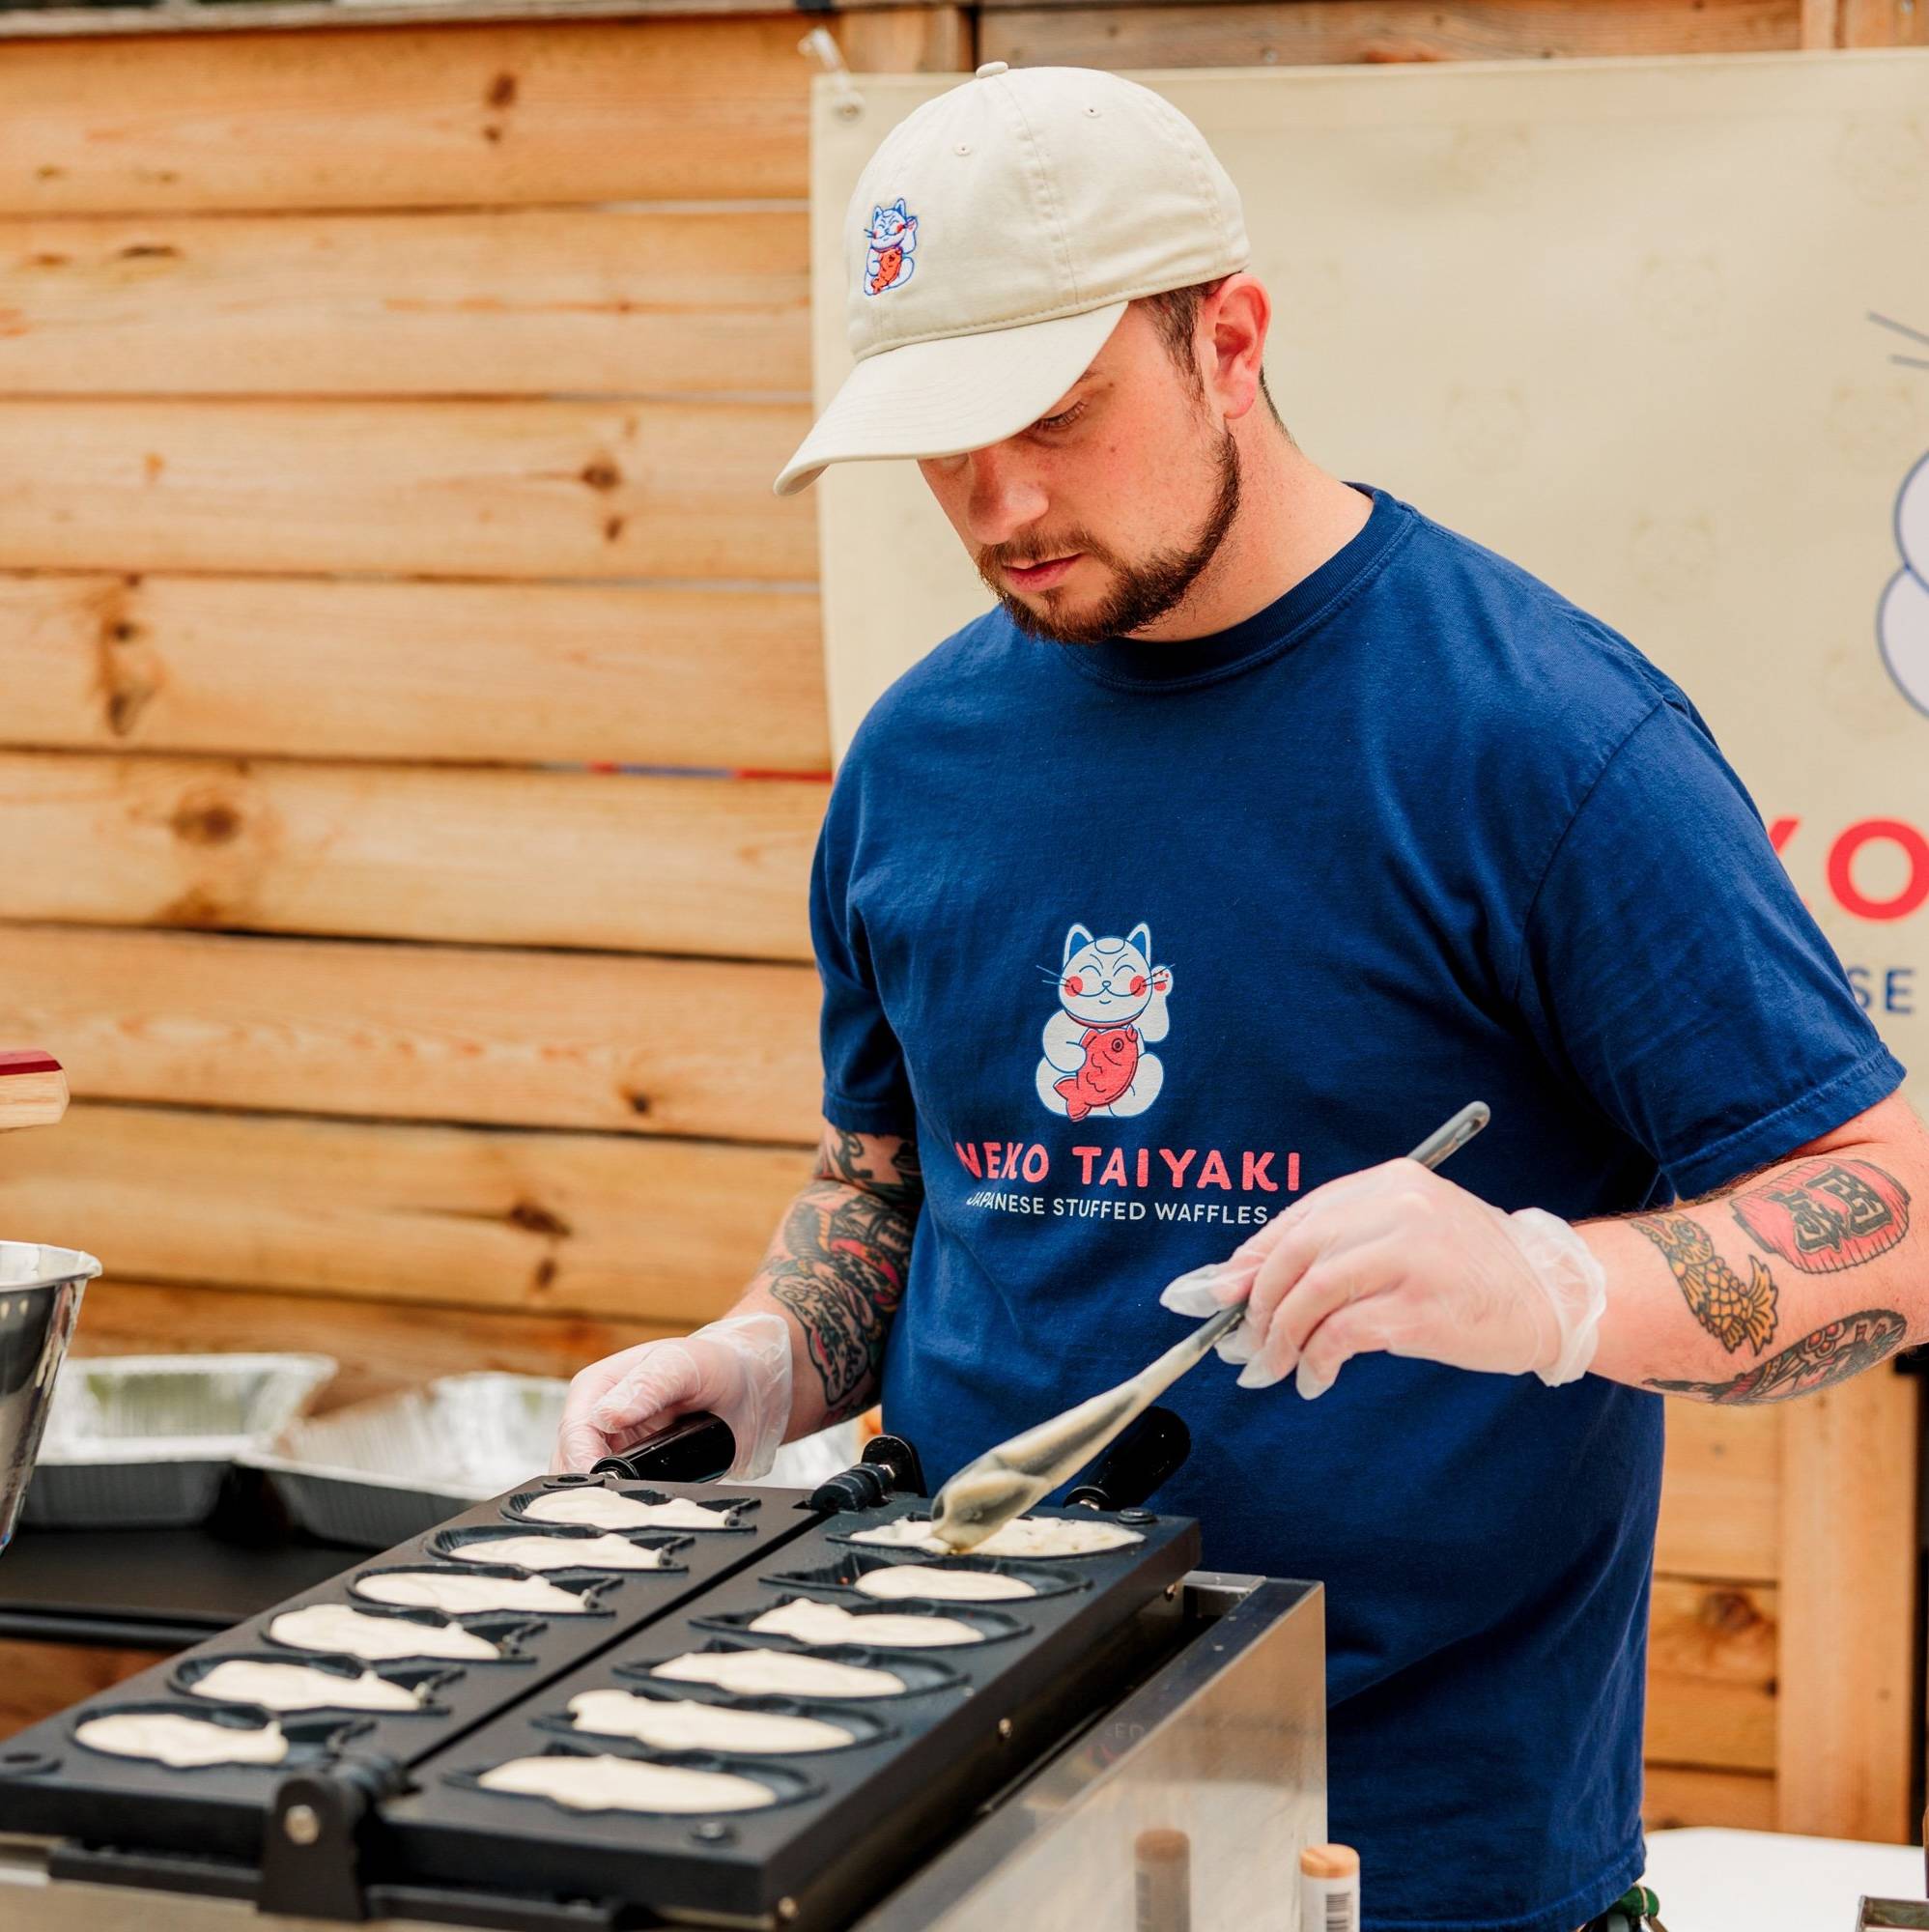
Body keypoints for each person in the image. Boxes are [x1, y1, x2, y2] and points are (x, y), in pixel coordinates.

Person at [553, 63, 1929, 1932]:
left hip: (1423, 1861)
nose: (1001, 501)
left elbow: (1891, 1219)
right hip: (956, 1814)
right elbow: (888, 1181)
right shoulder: (919, 755)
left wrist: (1548, 1289)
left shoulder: (1534, 737)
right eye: (943, 444)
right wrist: (764, 1359)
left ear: (1229, 338)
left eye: (1054, 412)